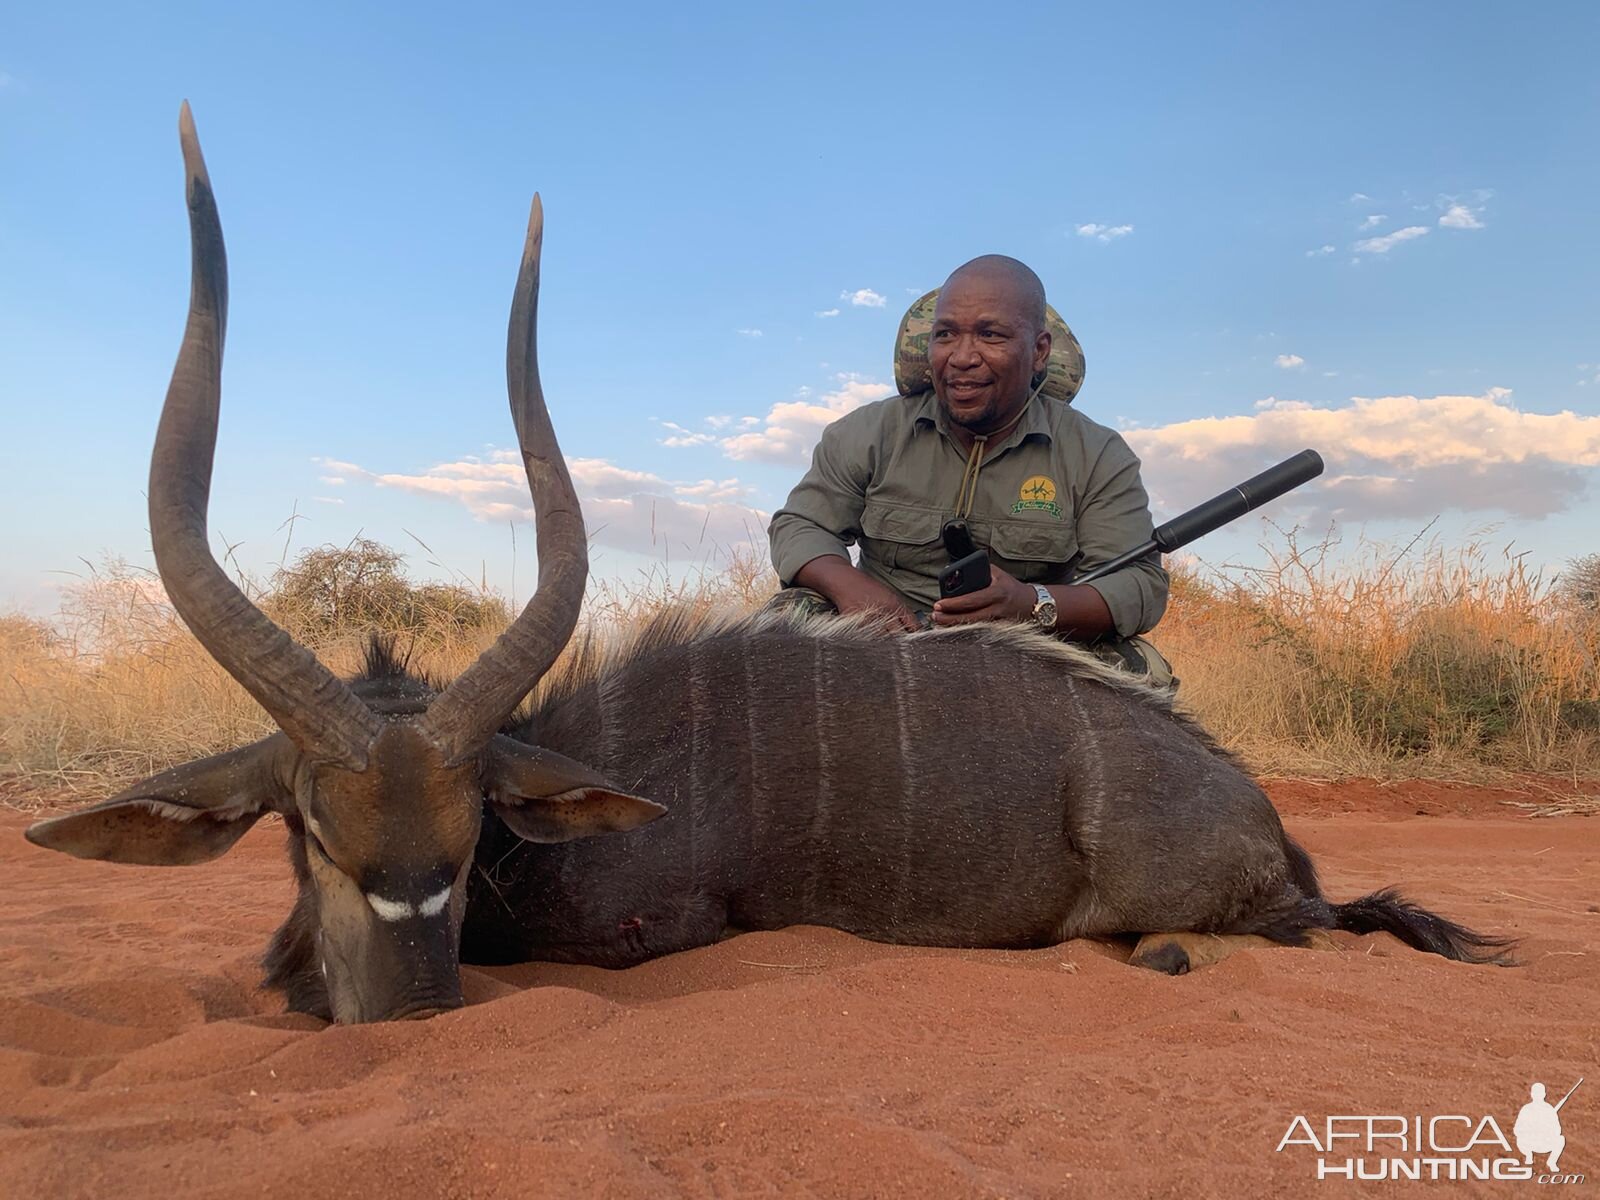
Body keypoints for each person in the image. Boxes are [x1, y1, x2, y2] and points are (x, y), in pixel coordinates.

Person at [767, 254, 1171, 683]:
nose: (961, 357)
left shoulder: (1097, 452)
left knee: (1143, 672)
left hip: (1028, 639)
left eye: (989, 334)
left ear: (1039, 352)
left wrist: (1032, 604)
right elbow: (799, 526)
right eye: (946, 334)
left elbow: (1139, 583)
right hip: (882, 632)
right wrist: (853, 589)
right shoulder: (868, 431)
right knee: (784, 624)